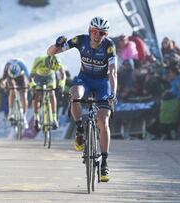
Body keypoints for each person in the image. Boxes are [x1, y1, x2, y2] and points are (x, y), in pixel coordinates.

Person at [47, 16, 117, 182]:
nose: (97, 35)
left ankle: (104, 163)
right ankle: (79, 130)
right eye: (95, 31)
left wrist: (113, 92)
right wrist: (57, 45)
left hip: (102, 83)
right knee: (75, 96)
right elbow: (50, 53)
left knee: (103, 121)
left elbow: (113, 72)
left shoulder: (109, 46)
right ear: (89, 30)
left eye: (102, 33)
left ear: (105, 35)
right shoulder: (80, 40)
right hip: (84, 78)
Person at [28, 55, 66, 131]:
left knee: (52, 93)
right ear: (48, 63)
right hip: (38, 76)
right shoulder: (38, 61)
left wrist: (62, 84)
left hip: (50, 76)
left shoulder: (58, 63)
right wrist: (33, 86)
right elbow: (31, 77)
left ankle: (54, 118)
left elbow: (63, 75)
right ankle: (36, 118)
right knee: (36, 94)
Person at [0, 59, 29, 127]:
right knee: (12, 90)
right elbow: (3, 79)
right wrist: (3, 83)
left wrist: (30, 84)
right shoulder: (7, 66)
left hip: (21, 76)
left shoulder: (22, 65)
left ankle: (24, 116)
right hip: (10, 77)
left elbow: (28, 77)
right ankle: (11, 112)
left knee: (24, 94)